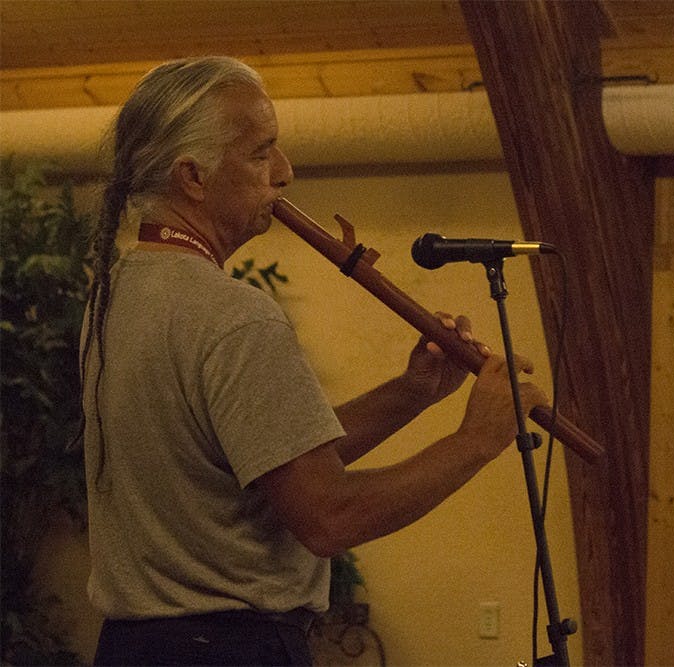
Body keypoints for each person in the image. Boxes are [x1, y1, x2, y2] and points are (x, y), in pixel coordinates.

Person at [79, 55, 547, 666]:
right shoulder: (233, 313)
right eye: (260, 153)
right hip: (227, 651)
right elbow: (328, 515)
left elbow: (273, 461)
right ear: (192, 177)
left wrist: (412, 392)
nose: (285, 172)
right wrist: (477, 440)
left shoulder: (117, 295)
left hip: (137, 649)